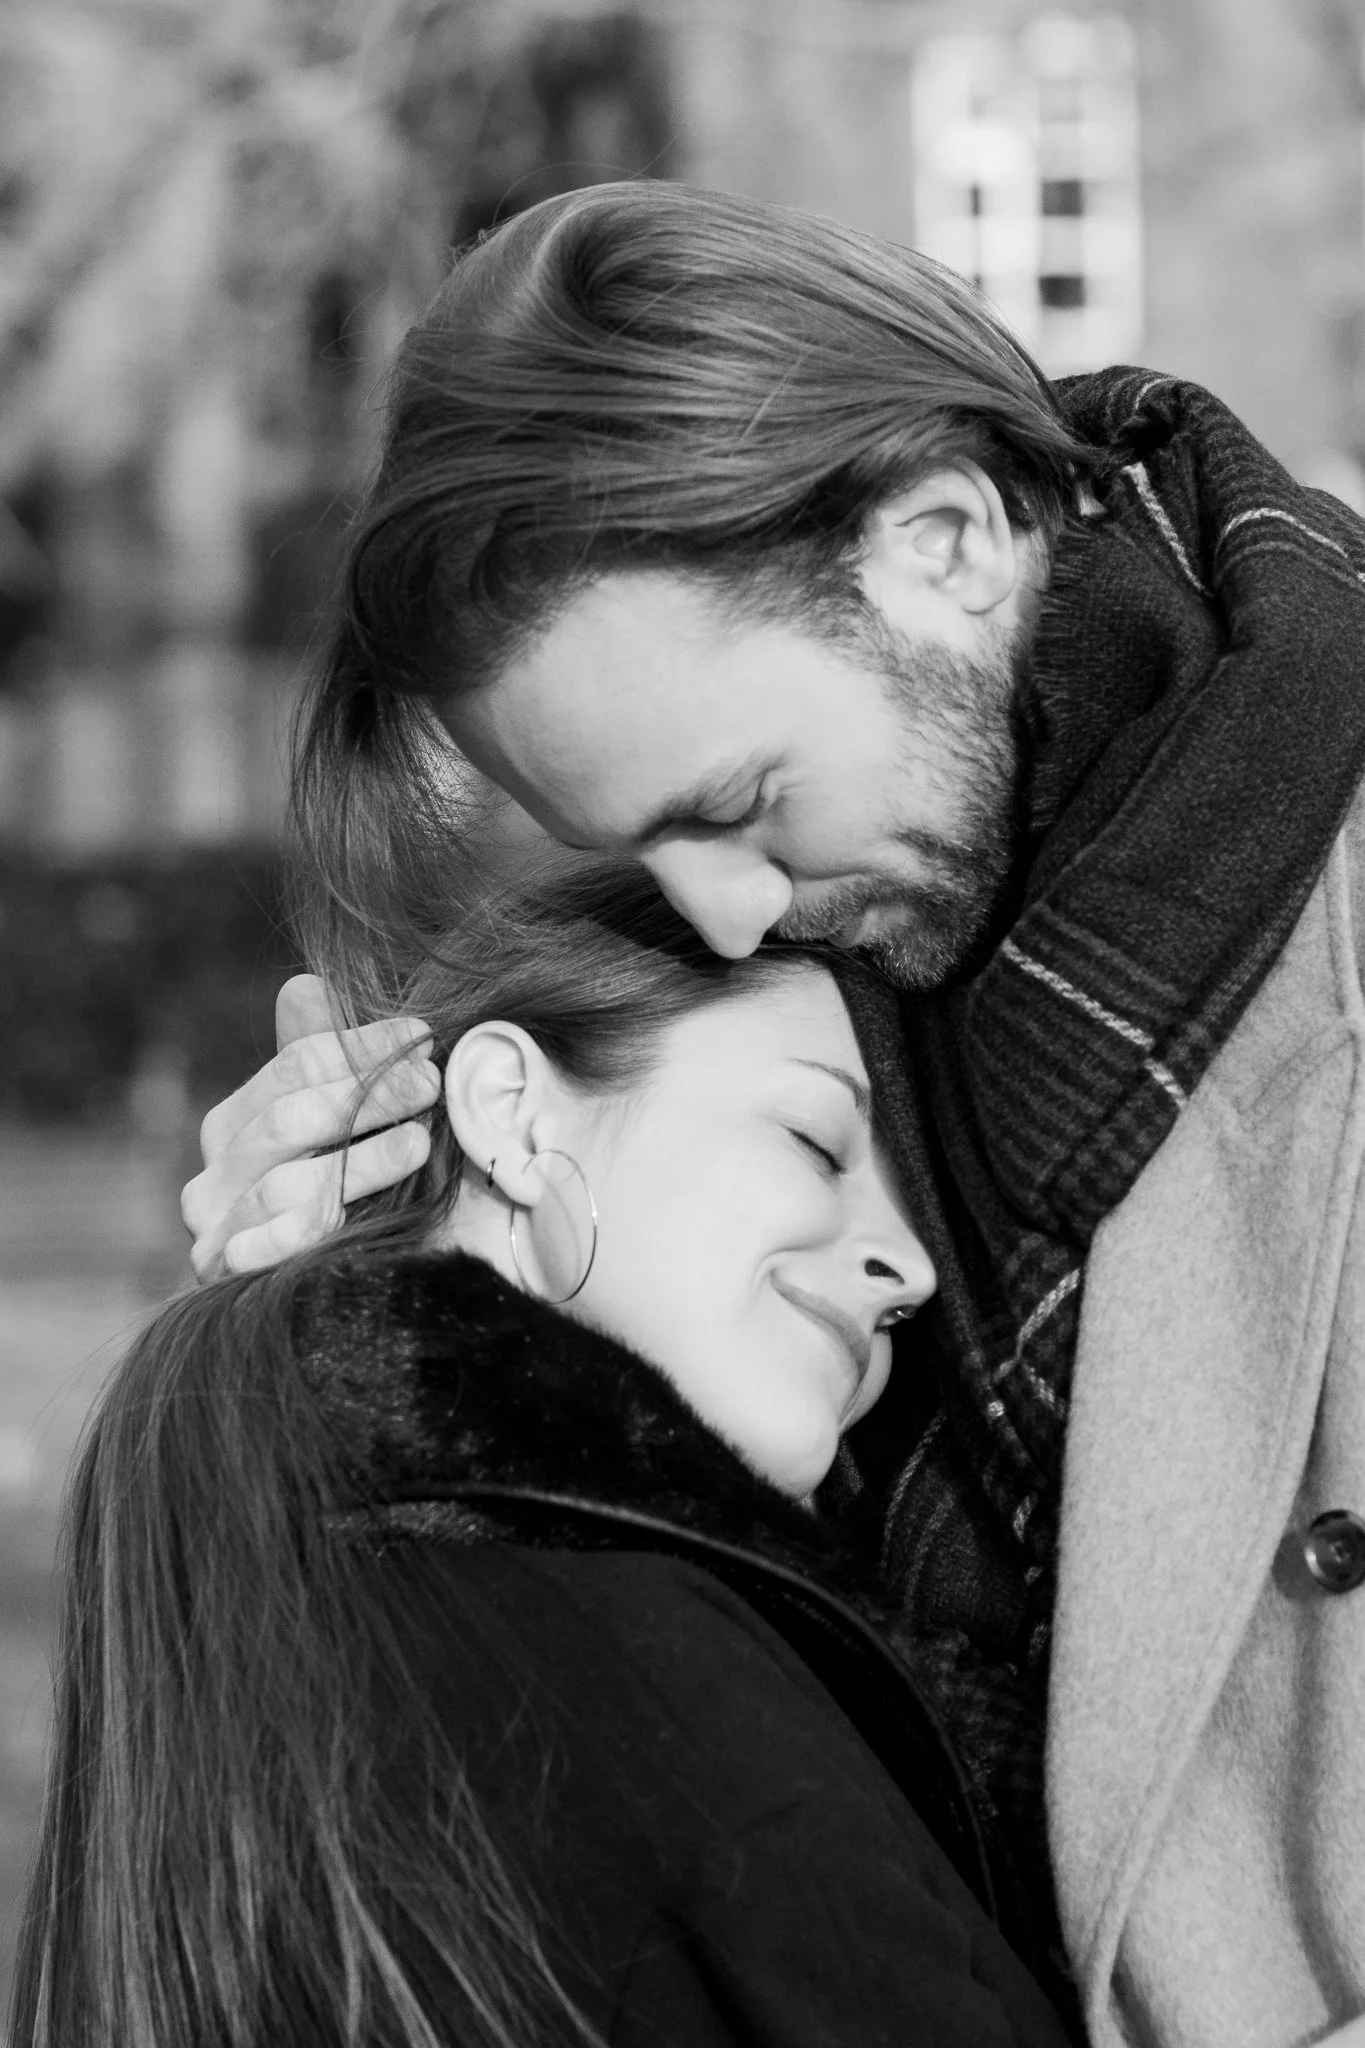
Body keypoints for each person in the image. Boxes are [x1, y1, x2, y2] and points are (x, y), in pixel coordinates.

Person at [182, 181, 1365, 2048]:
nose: (724, 906)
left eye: (736, 800)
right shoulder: (798, 965)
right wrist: (365, 1295)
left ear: (948, 543)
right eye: (645, 842)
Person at [13, 863, 1076, 2048]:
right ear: (514, 1111)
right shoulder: (632, 1660)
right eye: (817, 1141)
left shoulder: (316, 1585)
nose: (911, 1272)